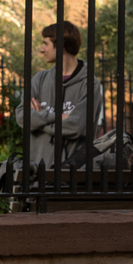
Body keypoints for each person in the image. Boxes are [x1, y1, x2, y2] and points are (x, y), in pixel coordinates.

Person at [14, 21, 104, 169]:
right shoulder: (39, 80)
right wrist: (58, 117)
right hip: (37, 172)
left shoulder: (90, 84)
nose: (42, 50)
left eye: (45, 44)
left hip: (72, 174)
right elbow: (22, 117)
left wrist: (39, 120)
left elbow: (77, 126)